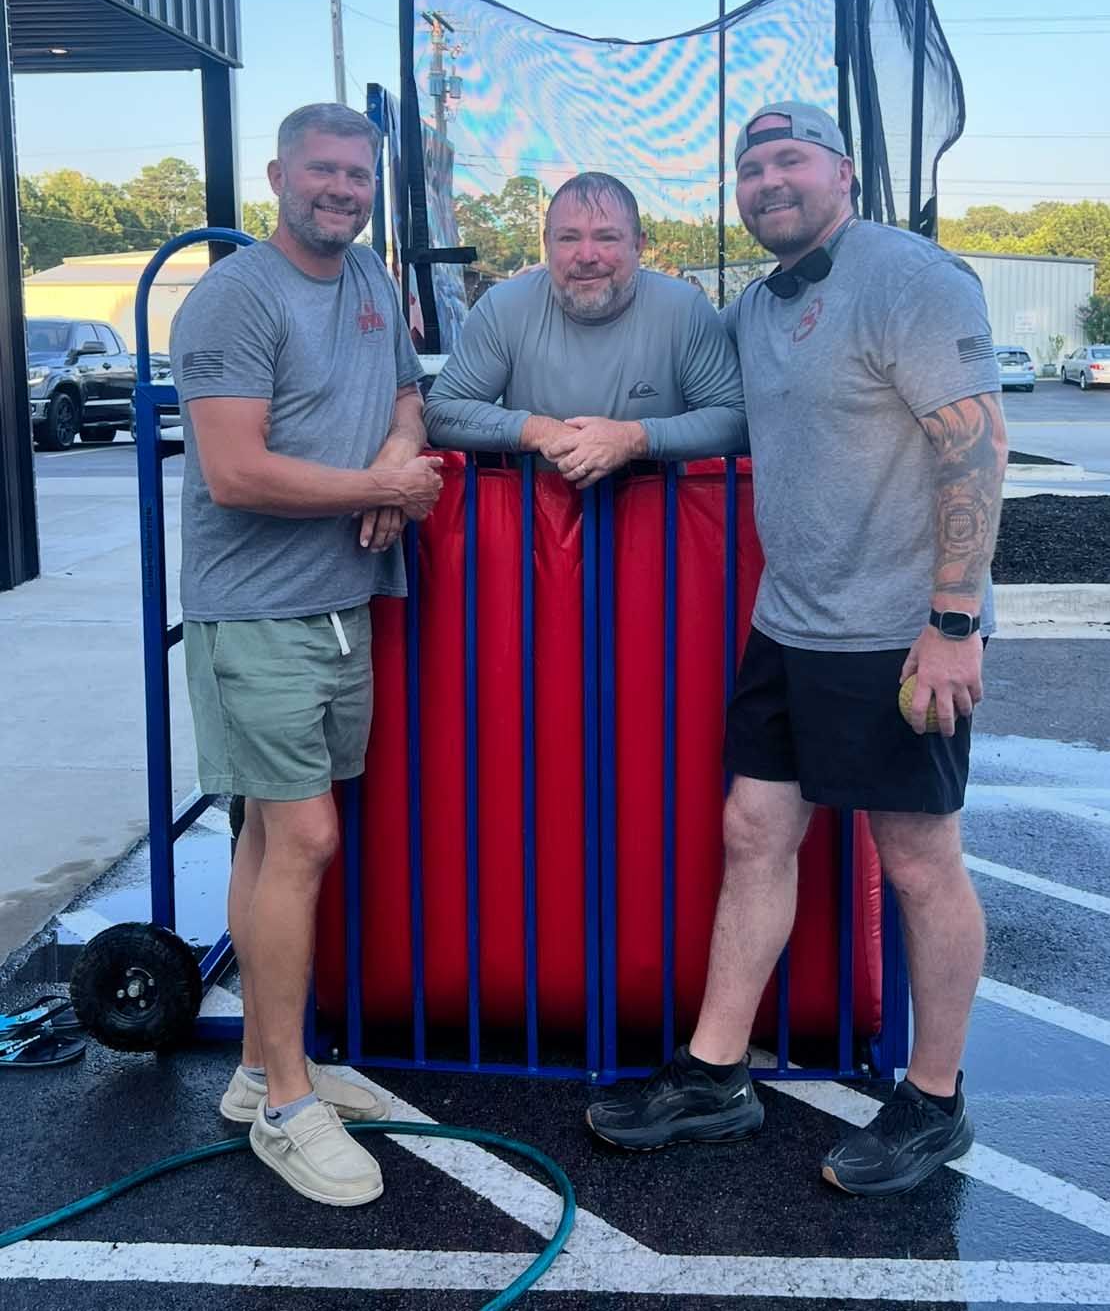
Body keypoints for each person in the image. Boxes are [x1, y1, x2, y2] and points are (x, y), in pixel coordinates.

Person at [587, 101, 1009, 1198]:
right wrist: (619, 432)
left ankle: (935, 1098)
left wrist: (954, 622)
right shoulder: (758, 305)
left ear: (843, 171)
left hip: (898, 633)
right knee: (754, 830)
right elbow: (731, 420)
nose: (768, 179)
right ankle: (715, 1074)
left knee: (919, 857)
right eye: (751, 166)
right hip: (792, 622)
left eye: (790, 159)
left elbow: (977, 444)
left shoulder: (910, 277)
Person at [171, 103, 444, 1207]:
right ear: (278, 174)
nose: (341, 188)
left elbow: (412, 397)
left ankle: (255, 1070)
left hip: (341, 603)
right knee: (305, 836)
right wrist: (384, 488)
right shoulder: (234, 297)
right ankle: (289, 1103)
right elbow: (235, 471)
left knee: (265, 835)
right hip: (257, 612)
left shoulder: (371, 281)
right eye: (322, 170)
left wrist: (395, 447)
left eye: (356, 173)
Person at [424, 172, 746, 482]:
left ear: (639, 244)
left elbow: (736, 419)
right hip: (536, 526)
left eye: (607, 238)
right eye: (568, 238)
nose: (587, 255)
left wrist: (634, 439)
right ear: (547, 243)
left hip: (659, 526)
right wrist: (538, 431)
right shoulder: (504, 307)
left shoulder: (683, 309)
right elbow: (441, 413)